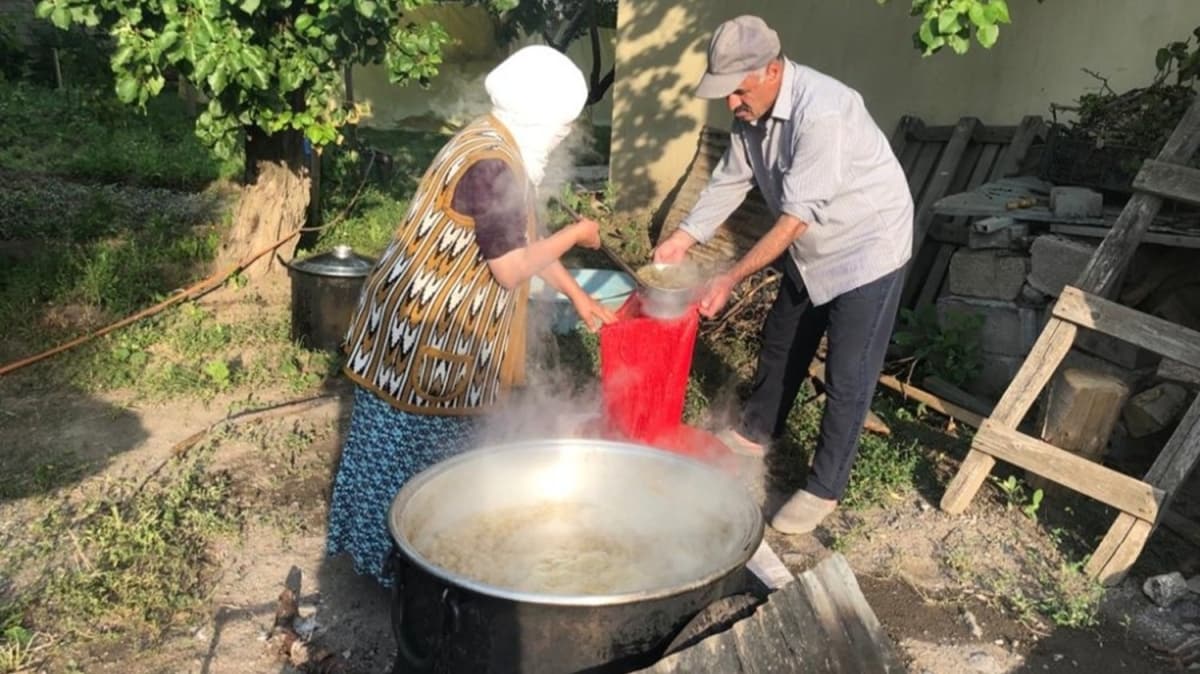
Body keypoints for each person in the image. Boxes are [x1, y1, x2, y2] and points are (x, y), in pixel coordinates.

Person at [327, 45, 616, 585]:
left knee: (431, 458)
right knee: (410, 459)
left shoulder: (493, 139)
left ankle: (420, 567)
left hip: (421, 318)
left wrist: (578, 295)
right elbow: (510, 268)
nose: (562, 136)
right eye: (560, 125)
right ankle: (402, 576)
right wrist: (577, 235)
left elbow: (522, 233)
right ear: (537, 115)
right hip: (425, 330)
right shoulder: (492, 164)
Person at [653, 15, 913, 535]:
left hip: (866, 247)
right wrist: (684, 236)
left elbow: (793, 222)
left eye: (738, 90)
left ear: (772, 70)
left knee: (848, 371)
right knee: (781, 340)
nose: (731, 104)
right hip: (812, 241)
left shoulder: (825, 114)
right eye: (724, 93)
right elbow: (731, 179)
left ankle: (824, 488)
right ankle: (754, 433)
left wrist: (728, 277)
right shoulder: (752, 115)